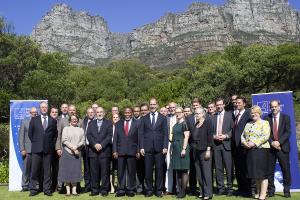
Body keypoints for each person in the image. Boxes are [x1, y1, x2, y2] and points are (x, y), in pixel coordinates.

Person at [139, 98, 168, 197]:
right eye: (151, 104)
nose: (152, 106)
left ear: (157, 105)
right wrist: (141, 147)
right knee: (148, 170)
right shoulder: (144, 118)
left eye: (154, 104)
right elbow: (141, 134)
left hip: (160, 148)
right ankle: (149, 190)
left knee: (159, 170)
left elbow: (165, 133)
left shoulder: (163, 118)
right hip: (147, 148)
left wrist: (165, 146)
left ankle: (159, 190)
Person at [241, 105, 271, 200]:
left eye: (256, 113)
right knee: (256, 175)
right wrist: (245, 143)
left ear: (259, 113)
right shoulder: (248, 124)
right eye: (252, 113)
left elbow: (265, 136)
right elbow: (243, 136)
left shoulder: (264, 123)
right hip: (250, 151)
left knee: (262, 174)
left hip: (261, 150)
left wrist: (254, 143)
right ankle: (258, 192)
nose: (254, 114)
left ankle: (263, 195)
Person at [28, 101, 58, 196]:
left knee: (47, 171)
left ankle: (47, 190)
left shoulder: (53, 121)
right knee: (34, 170)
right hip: (36, 149)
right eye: (42, 107)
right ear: (40, 108)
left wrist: (50, 144)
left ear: (47, 108)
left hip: (48, 150)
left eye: (45, 107)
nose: (44, 108)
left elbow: (55, 135)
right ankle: (33, 189)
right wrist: (37, 142)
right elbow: (30, 134)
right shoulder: (34, 119)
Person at [265, 100, 291, 198]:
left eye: (275, 106)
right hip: (270, 149)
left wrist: (279, 142)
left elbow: (288, 132)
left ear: (279, 107)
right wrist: (272, 142)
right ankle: (271, 190)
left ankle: (287, 190)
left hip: (282, 148)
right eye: (272, 107)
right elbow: (266, 133)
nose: (274, 108)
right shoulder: (266, 118)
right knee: (269, 171)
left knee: (286, 170)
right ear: (270, 107)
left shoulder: (286, 118)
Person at [113, 107, 140, 197]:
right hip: (120, 151)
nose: (127, 114)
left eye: (129, 112)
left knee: (131, 172)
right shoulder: (118, 123)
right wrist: (115, 150)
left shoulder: (136, 123)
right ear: (123, 113)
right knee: (120, 172)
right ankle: (121, 189)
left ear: (131, 113)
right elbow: (115, 138)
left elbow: (139, 138)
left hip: (132, 151)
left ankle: (130, 189)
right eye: (126, 112)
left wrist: (138, 150)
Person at [87, 107, 113, 196]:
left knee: (105, 172)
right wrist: (95, 144)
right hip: (93, 152)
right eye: (97, 112)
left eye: (101, 112)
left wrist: (101, 145)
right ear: (95, 113)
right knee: (94, 172)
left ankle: (104, 190)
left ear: (104, 113)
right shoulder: (91, 123)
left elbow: (109, 136)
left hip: (104, 152)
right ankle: (95, 190)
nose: (99, 113)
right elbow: (89, 135)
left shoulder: (109, 123)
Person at [58, 115, 85, 196]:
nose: (74, 120)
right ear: (70, 120)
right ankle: (68, 191)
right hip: (67, 152)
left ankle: (74, 190)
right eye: (72, 119)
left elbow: (83, 140)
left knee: (75, 172)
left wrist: (76, 147)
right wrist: (72, 148)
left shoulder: (81, 129)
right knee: (67, 171)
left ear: (77, 120)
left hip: (77, 152)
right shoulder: (66, 128)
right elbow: (64, 140)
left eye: (75, 119)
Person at [212, 98, 234, 196]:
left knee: (229, 168)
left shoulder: (230, 115)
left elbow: (234, 129)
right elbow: (210, 131)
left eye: (220, 104)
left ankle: (229, 189)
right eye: (217, 105)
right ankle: (220, 188)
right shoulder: (213, 116)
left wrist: (226, 136)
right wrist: (213, 136)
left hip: (227, 145)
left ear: (224, 105)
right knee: (218, 168)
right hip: (216, 145)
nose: (219, 106)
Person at [232, 96, 253, 196]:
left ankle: (248, 190)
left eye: (239, 103)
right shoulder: (236, 115)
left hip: (244, 147)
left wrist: (246, 145)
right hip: (236, 147)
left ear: (244, 104)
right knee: (239, 169)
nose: (237, 104)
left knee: (245, 169)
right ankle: (241, 188)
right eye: (236, 103)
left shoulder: (248, 113)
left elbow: (250, 130)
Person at [191, 107, 213, 199]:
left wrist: (208, 150)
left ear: (203, 114)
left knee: (206, 172)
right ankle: (202, 191)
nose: (196, 115)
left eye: (198, 113)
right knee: (199, 172)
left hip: (205, 150)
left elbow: (209, 138)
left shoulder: (207, 123)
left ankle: (208, 193)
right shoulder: (196, 124)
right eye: (195, 113)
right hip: (196, 150)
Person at [170, 107, 190, 198]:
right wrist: (171, 150)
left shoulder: (185, 124)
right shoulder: (174, 125)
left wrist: (184, 148)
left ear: (182, 113)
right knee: (177, 170)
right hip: (175, 148)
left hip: (182, 147)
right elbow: (173, 138)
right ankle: (180, 191)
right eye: (176, 112)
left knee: (184, 170)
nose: (177, 114)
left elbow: (186, 137)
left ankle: (183, 191)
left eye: (179, 112)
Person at [18, 107, 37, 192]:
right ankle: (24, 185)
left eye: (35, 112)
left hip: (37, 150)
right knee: (26, 169)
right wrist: (22, 149)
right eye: (33, 112)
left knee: (36, 169)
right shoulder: (24, 121)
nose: (34, 114)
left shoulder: (39, 121)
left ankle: (36, 185)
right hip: (27, 150)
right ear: (30, 113)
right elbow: (21, 136)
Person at [80, 108, 95, 193]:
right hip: (85, 147)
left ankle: (94, 185)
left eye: (92, 112)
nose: (91, 114)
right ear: (87, 113)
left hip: (93, 147)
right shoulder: (83, 121)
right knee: (86, 168)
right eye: (89, 112)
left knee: (93, 168)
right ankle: (87, 185)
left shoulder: (97, 121)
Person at [165, 102, 177, 195]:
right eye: (170, 107)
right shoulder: (166, 118)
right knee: (169, 166)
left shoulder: (181, 117)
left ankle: (178, 188)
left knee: (178, 167)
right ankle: (168, 189)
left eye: (174, 107)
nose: (172, 109)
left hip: (178, 144)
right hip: (169, 143)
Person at [110, 113, 120, 194]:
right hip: (110, 150)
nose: (115, 118)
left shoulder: (121, 126)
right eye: (114, 117)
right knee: (111, 170)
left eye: (117, 117)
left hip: (119, 150)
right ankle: (112, 186)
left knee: (119, 169)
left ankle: (120, 186)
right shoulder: (109, 127)